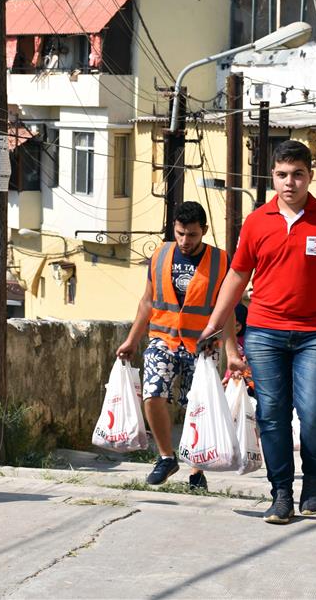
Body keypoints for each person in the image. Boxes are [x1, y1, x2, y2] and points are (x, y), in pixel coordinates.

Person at [200, 140, 316, 524]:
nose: (290, 183)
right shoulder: (256, 221)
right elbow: (237, 275)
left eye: (298, 175)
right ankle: (281, 492)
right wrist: (215, 322)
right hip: (265, 332)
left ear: (310, 176)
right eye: (282, 175)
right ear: (273, 177)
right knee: (272, 414)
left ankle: (313, 477)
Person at [116, 201, 232, 491]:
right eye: (180, 233)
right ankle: (166, 457)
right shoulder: (160, 254)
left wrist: (233, 354)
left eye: (192, 235)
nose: (185, 241)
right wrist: (132, 339)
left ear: (203, 231)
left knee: (198, 407)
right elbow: (147, 301)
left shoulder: (220, 261)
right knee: (152, 393)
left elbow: (227, 309)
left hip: (202, 346)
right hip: (163, 338)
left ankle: (196, 469)